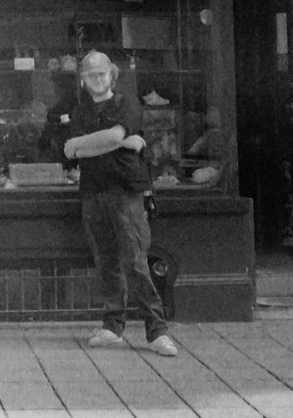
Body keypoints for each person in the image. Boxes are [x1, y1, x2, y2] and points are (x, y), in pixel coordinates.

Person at [64, 50, 177, 357]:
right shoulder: (80, 111)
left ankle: (157, 331)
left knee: (135, 261)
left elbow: (107, 136)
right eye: (90, 76)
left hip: (126, 192)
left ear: (111, 75)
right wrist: (118, 142)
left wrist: (99, 141)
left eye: (101, 74)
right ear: (84, 81)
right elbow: (74, 151)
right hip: (93, 192)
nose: (96, 80)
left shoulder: (126, 104)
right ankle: (112, 327)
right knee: (106, 261)